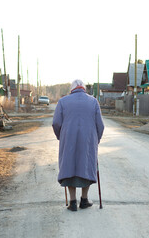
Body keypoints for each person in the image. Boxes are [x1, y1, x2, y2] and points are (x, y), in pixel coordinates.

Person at [52, 79, 105, 211]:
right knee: (86, 166)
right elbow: (101, 125)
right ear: (84, 89)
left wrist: (61, 137)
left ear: (72, 89)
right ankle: (84, 199)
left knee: (69, 167)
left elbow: (56, 123)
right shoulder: (93, 101)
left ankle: (72, 202)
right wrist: (95, 140)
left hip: (68, 139)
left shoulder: (63, 101)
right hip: (88, 140)